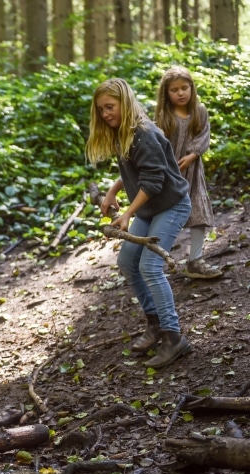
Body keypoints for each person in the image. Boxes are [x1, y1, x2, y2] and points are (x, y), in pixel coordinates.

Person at [86, 78, 192, 369]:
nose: (106, 114)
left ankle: (174, 338)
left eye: (110, 107)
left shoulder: (144, 132)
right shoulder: (123, 133)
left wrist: (127, 213)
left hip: (171, 205)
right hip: (149, 210)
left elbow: (154, 180)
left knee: (150, 266)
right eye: (101, 110)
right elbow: (132, 169)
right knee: (128, 261)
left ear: (125, 102)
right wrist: (111, 192)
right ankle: (155, 323)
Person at [155, 66, 222, 279]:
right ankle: (153, 261)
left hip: (193, 173)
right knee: (165, 215)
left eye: (185, 88)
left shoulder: (199, 112)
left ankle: (195, 260)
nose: (181, 93)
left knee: (199, 212)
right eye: (174, 90)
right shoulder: (164, 116)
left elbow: (204, 135)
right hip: (170, 174)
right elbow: (156, 143)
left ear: (192, 88)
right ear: (166, 93)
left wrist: (193, 154)